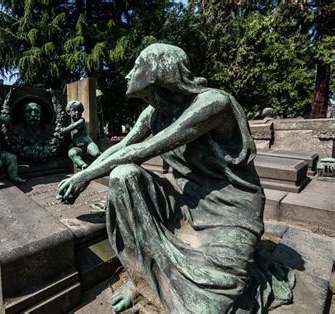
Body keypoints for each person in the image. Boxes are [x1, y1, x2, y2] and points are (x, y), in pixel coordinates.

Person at [57, 44, 294, 312]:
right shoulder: (152, 114)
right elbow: (121, 147)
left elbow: (143, 150)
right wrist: (84, 175)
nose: (127, 75)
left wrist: (85, 176)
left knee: (209, 308)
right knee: (123, 176)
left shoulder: (213, 103)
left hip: (230, 209)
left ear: (157, 73)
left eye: (136, 67)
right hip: (188, 199)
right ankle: (141, 279)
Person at [59, 100, 101, 169]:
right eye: (74, 110)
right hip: (78, 147)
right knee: (71, 153)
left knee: (96, 153)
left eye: (79, 110)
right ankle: (83, 165)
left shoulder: (81, 120)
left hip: (88, 144)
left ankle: (105, 159)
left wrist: (62, 130)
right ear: (68, 112)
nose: (77, 112)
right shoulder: (67, 122)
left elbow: (72, 127)